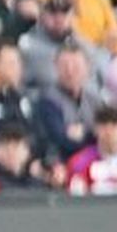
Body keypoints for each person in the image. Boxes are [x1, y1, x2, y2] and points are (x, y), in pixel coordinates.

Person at [36, 42, 103, 170]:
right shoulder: (47, 100)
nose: (70, 72)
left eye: (76, 66)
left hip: (97, 163)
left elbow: (107, 134)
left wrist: (84, 133)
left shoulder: (96, 100)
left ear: (87, 68)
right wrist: (92, 134)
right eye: (64, 66)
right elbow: (62, 140)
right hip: (62, 164)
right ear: (56, 67)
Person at [19, 0, 96, 93]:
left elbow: (94, 83)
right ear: (42, 16)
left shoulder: (85, 46)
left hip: (81, 101)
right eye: (53, 13)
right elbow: (19, 86)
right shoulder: (27, 45)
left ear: (73, 17)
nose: (59, 19)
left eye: (64, 13)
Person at [65, 102, 117, 195]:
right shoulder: (80, 162)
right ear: (95, 129)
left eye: (114, 125)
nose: (109, 132)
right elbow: (76, 199)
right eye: (104, 126)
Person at [0, 119, 47, 194]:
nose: (10, 152)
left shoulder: (37, 184)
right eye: (5, 146)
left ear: (27, 152)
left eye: (16, 146)